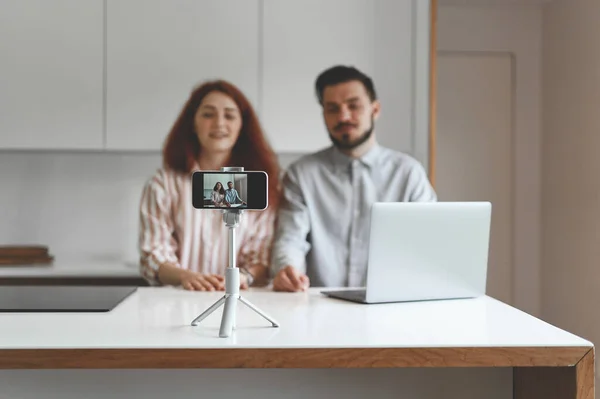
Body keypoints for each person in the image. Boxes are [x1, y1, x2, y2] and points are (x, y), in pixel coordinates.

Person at [270, 65, 436, 292]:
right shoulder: (301, 174)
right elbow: (291, 238)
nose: (343, 116)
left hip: (390, 304)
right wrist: (287, 270)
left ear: (375, 110)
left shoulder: (408, 173)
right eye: (332, 108)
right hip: (318, 306)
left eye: (353, 106)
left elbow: (428, 243)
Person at [138, 80, 281, 291]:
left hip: (238, 301)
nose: (219, 124)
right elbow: (153, 255)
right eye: (208, 114)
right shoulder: (164, 184)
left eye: (229, 115)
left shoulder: (259, 186)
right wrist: (186, 277)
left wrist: (242, 277)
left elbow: (261, 255)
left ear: (242, 126)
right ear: (193, 124)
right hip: (177, 301)